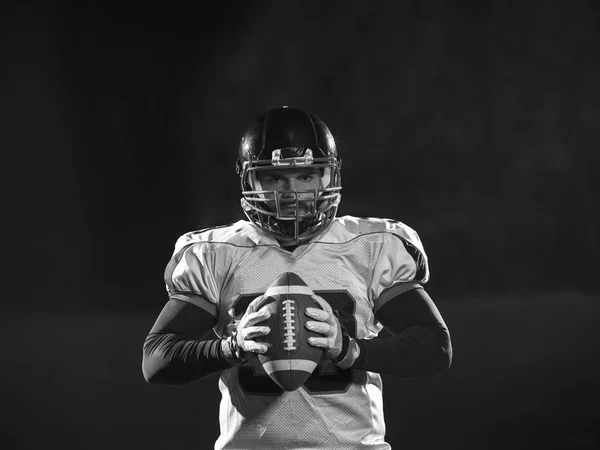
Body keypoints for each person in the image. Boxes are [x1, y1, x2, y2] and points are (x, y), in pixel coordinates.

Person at [142, 106, 453, 449]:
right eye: (275, 177)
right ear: (249, 180)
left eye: (305, 176)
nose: (290, 192)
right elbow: (157, 358)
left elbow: (435, 347)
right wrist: (232, 347)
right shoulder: (218, 253)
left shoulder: (370, 247)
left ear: (327, 177)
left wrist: (349, 350)